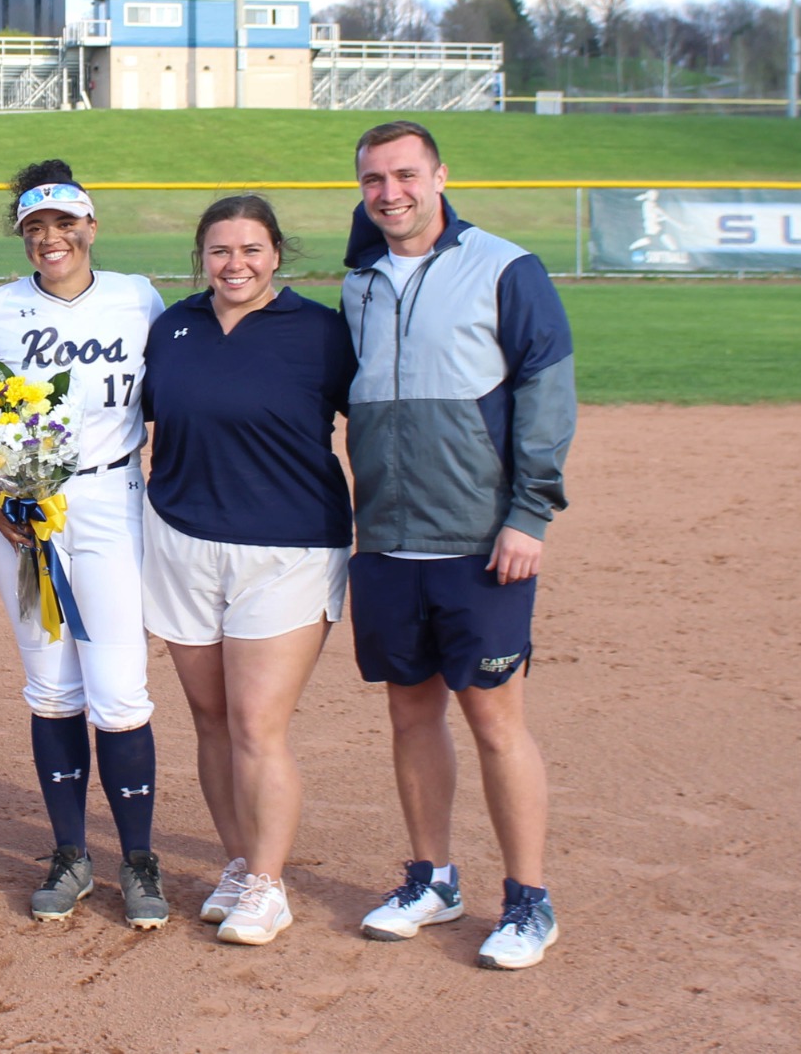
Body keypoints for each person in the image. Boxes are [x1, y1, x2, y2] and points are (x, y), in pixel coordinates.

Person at [341, 120, 575, 970]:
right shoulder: (359, 281)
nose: (391, 192)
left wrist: (530, 514)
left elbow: (548, 388)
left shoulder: (505, 267)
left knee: (494, 717)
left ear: (440, 175)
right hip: (389, 536)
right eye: (374, 179)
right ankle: (433, 878)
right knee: (410, 711)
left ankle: (528, 899)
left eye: (406, 174)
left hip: (482, 539)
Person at [140, 196, 356, 946]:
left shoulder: (322, 332)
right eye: (221, 250)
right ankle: (238, 861)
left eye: (252, 249)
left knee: (259, 724)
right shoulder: (172, 327)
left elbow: (376, 422)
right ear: (202, 254)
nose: (236, 264)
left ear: (277, 254)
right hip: (181, 540)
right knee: (212, 720)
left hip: (288, 547)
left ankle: (268, 882)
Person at [0, 161, 170, 930]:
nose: (51, 239)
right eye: (35, 228)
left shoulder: (136, 296)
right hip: (25, 512)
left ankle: (140, 858)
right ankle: (71, 853)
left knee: (119, 691)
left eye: (64, 224)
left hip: (112, 499)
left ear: (91, 226)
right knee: (52, 687)